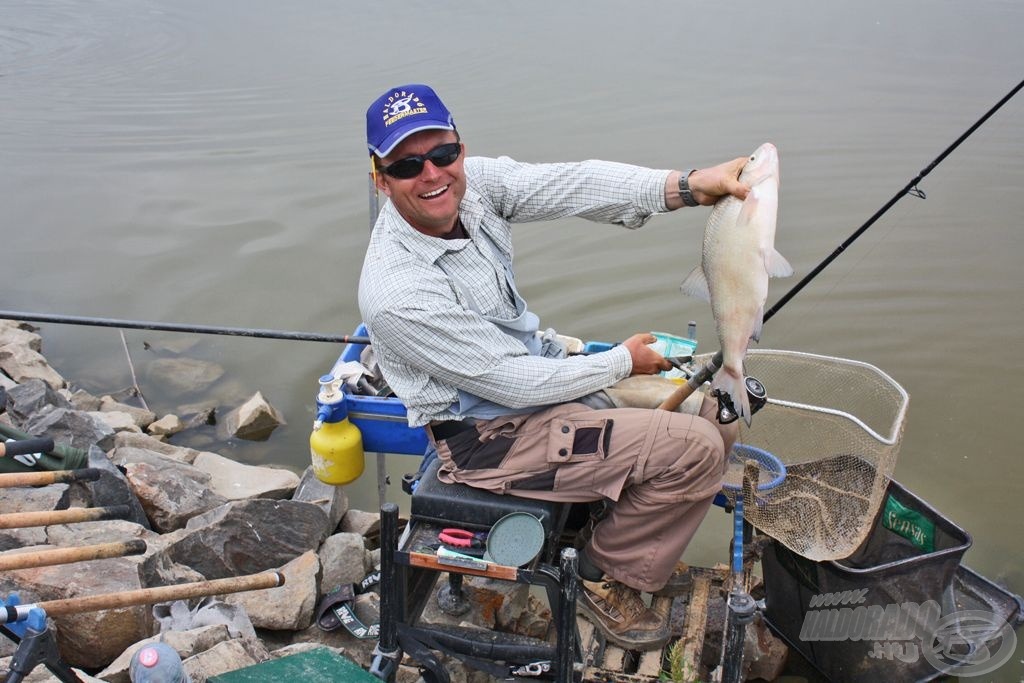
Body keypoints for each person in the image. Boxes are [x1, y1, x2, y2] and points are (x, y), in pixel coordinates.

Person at [358, 83, 744, 650]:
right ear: (380, 177)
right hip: (488, 437)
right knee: (698, 449)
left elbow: (575, 183)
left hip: (540, 378)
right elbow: (512, 382)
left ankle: (615, 516)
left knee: (721, 412)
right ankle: (601, 575)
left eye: (444, 153)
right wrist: (619, 362)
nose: (433, 174)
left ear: (460, 148)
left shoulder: (473, 186)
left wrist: (689, 186)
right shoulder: (396, 293)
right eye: (408, 164)